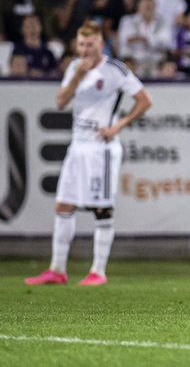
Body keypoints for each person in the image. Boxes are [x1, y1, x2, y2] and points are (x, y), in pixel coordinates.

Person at [25, 21, 152, 287]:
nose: (84, 50)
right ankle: (57, 270)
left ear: (100, 44)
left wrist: (117, 126)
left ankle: (98, 271)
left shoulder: (115, 69)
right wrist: (77, 77)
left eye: (90, 45)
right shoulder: (74, 67)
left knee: (101, 207)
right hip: (77, 145)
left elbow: (144, 101)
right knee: (63, 205)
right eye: (81, 44)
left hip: (101, 149)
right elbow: (61, 102)